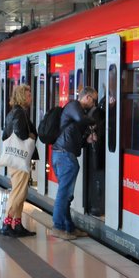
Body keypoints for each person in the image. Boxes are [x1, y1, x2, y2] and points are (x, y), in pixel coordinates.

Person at [51, 87, 99, 238]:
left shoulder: (77, 112)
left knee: (67, 195)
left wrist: (87, 140)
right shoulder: (74, 106)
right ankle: (58, 227)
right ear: (87, 97)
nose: (94, 104)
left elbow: (75, 139)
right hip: (64, 156)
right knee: (64, 194)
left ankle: (69, 227)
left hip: (66, 155)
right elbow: (82, 119)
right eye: (94, 100)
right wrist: (96, 120)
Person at [0, 85, 37, 237]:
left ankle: (17, 223)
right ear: (22, 97)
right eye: (29, 96)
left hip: (15, 159)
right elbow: (20, 133)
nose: (31, 98)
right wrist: (31, 136)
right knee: (18, 192)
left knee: (21, 192)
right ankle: (7, 223)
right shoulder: (20, 113)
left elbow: (4, 136)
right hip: (20, 159)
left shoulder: (12, 113)